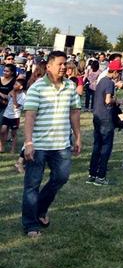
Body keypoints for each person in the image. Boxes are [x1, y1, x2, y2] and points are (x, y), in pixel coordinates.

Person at [21, 50, 81, 238]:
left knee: (61, 178)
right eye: (60, 64)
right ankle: (31, 224)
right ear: (49, 66)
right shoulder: (37, 88)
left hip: (61, 144)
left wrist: (78, 136)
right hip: (38, 145)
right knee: (32, 184)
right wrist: (28, 142)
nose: (64, 67)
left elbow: (74, 113)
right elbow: (30, 116)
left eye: (65, 64)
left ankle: (40, 209)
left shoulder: (70, 87)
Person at [86, 57, 123, 186]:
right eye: (119, 73)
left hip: (97, 115)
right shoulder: (109, 83)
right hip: (106, 117)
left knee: (97, 145)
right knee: (106, 147)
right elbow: (108, 100)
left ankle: (92, 174)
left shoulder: (101, 81)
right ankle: (100, 176)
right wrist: (117, 101)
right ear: (116, 72)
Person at [0, 74, 26, 153]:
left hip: (15, 117)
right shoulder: (11, 92)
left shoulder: (23, 96)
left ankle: (13, 149)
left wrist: (14, 95)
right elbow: (6, 98)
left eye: (16, 85)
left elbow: (16, 106)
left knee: (13, 134)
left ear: (20, 87)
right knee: (3, 131)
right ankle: (1, 147)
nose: (14, 86)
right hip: (7, 114)